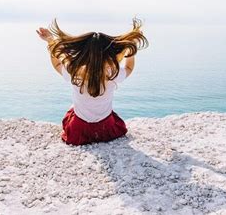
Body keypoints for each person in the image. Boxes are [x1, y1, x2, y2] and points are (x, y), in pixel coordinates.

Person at [36, 18, 148, 146]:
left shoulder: (74, 72)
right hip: (105, 128)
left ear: (82, 53)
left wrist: (51, 40)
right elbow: (128, 68)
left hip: (79, 129)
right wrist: (130, 50)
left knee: (72, 111)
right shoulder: (112, 73)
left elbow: (57, 63)